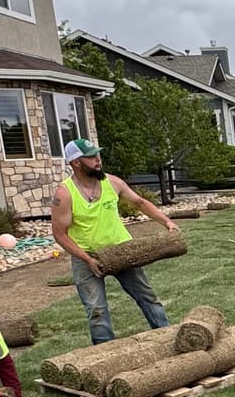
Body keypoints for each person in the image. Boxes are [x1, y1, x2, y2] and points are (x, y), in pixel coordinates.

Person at [50, 138, 178, 343]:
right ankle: (105, 354)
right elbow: (60, 234)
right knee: (96, 310)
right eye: (91, 157)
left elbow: (140, 202)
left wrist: (167, 222)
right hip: (88, 257)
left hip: (122, 251)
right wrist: (87, 259)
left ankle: (168, 338)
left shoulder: (112, 182)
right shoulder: (65, 194)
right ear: (75, 163)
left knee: (148, 298)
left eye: (97, 154)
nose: (98, 160)